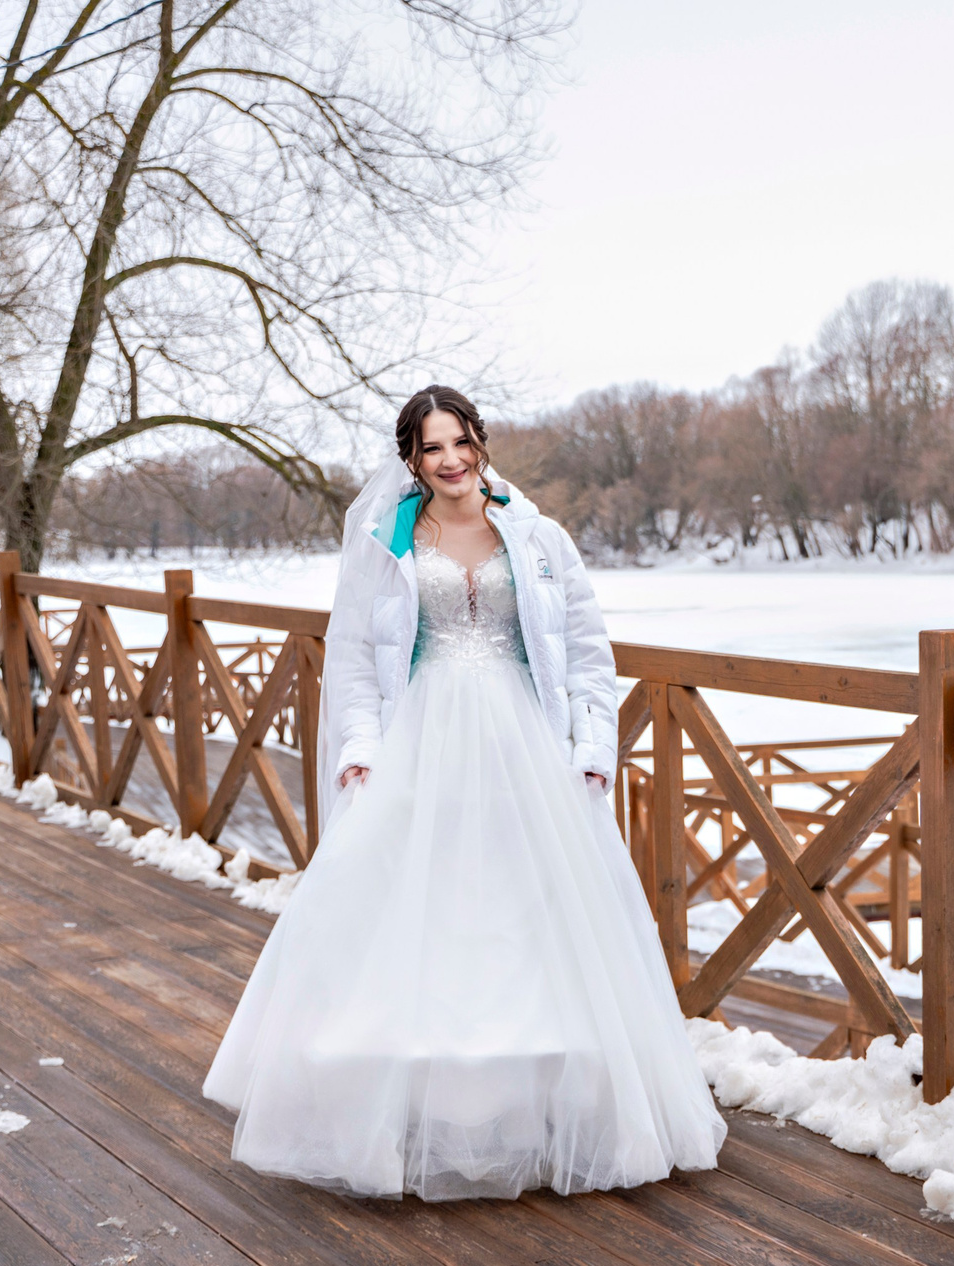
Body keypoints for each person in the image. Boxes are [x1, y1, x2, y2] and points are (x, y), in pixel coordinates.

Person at [204, 387, 725, 1199]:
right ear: (411, 460)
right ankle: (422, 1109)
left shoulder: (539, 536)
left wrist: (593, 746)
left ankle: (532, 1110)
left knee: (530, 914)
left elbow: (587, 647)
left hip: (525, 745)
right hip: (423, 738)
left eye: (460, 441)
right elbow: (352, 654)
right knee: (426, 910)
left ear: (481, 442)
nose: (450, 459)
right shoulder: (386, 543)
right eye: (431, 447)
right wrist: (361, 747)